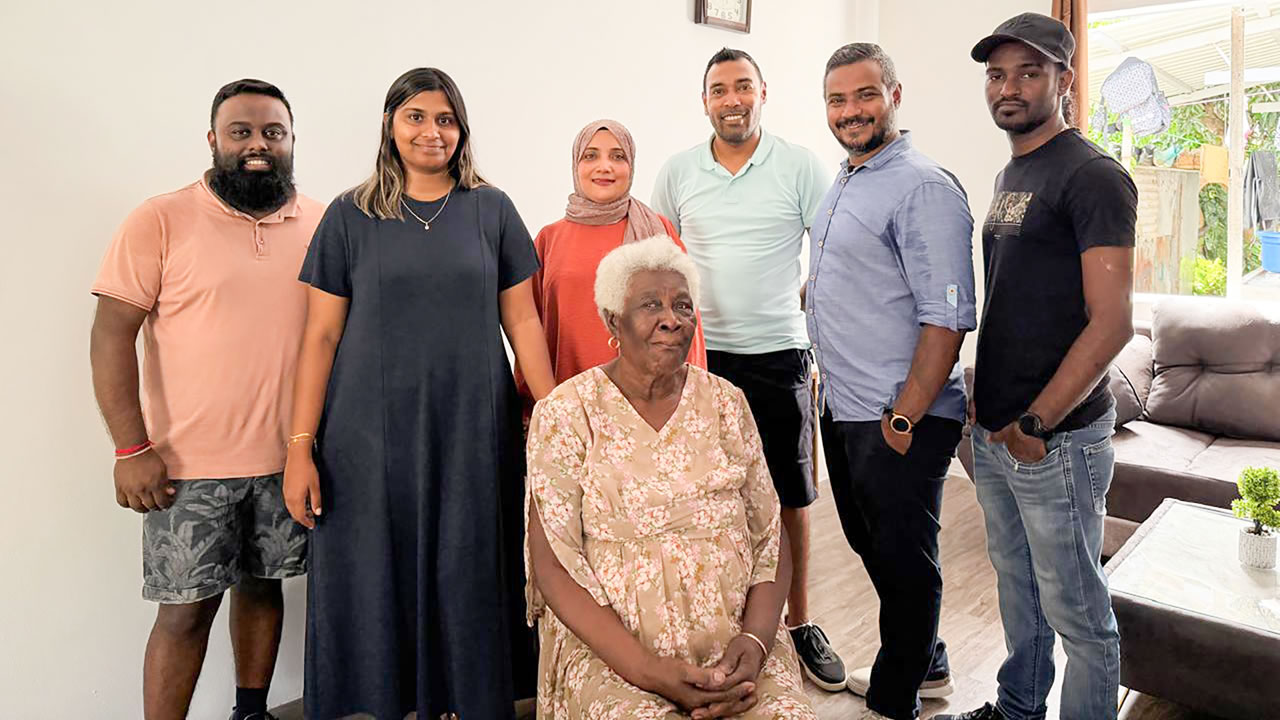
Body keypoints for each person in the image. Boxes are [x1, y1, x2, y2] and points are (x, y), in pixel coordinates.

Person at [283, 67, 556, 720]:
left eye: (445, 119)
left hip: (470, 427)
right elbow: (320, 337)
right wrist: (299, 447)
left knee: (468, 565)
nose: (432, 131)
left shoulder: (492, 209)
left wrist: (555, 418)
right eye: (416, 117)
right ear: (389, 124)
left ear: (462, 130)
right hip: (368, 437)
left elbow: (522, 322)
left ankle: (463, 700)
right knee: (378, 571)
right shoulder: (349, 215)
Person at [89, 78, 318, 720]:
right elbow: (111, 335)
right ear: (213, 139)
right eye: (241, 131)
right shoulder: (160, 219)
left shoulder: (322, 222)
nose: (257, 145)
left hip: (288, 460)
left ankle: (250, 712)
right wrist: (130, 448)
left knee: (264, 589)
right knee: (185, 613)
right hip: (186, 468)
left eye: (272, 132)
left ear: (291, 140)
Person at [937, 13, 1137, 720]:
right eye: (997, 75)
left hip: (1056, 439)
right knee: (1018, 591)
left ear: (1064, 80)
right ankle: (1018, 708)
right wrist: (983, 400)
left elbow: (1112, 323)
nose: (1009, 88)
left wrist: (1037, 421)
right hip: (997, 430)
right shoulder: (1014, 172)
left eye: (1028, 72)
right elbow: (1015, 300)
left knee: (1079, 614)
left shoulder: (1093, 177)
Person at [525, 236, 816, 719]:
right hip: (615, 657)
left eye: (682, 305)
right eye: (650, 305)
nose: (671, 318)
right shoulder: (566, 412)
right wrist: (648, 670)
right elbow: (553, 564)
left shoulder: (727, 403)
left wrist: (755, 642)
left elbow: (769, 534)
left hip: (734, 648)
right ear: (613, 321)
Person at [652, 47, 845, 690]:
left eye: (742, 86)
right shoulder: (678, 172)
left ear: (764, 93)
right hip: (698, 359)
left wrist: (808, 308)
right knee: (703, 496)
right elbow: (658, 260)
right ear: (704, 101)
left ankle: (799, 623)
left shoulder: (800, 165)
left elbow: (836, 249)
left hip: (778, 355)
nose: (731, 99)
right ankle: (716, 622)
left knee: (789, 496)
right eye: (719, 89)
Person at [809, 43, 976, 720]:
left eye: (865, 95)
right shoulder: (849, 178)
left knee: (906, 563)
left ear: (895, 96)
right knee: (870, 542)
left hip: (899, 413)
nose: (850, 111)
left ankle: (893, 699)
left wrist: (905, 415)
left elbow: (947, 316)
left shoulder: (923, 186)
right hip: (845, 405)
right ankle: (927, 662)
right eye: (837, 99)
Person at [517, 118, 706, 400]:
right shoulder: (549, 239)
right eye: (590, 156)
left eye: (618, 157)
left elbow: (687, 320)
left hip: (649, 400)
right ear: (575, 165)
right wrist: (541, 404)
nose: (604, 166)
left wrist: (692, 396)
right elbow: (528, 328)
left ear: (631, 166)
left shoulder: (657, 231)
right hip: (569, 400)